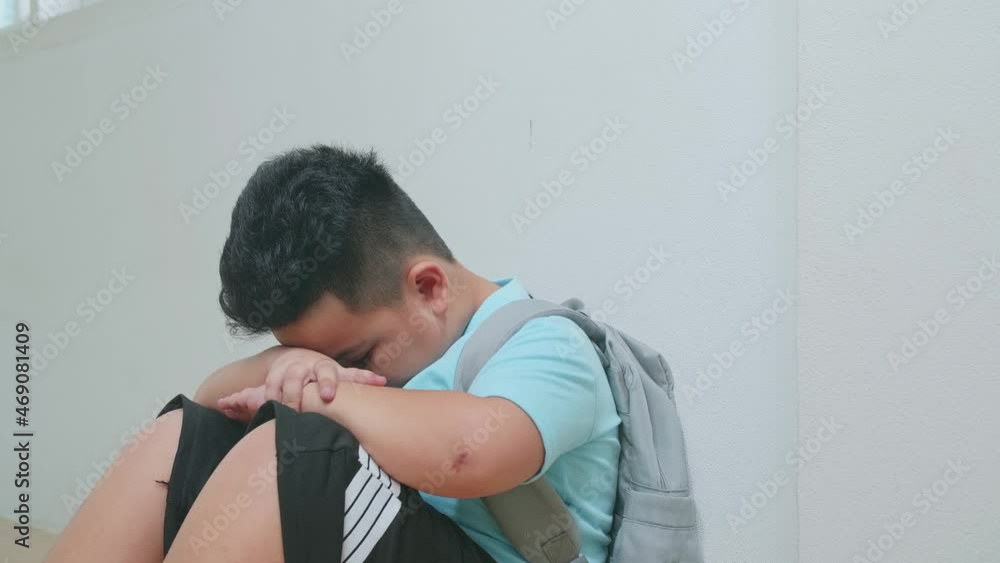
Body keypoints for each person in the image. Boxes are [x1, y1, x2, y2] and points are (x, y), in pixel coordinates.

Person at [44, 145, 621, 563]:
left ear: (428, 288)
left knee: (296, 449)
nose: (339, 374)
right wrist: (285, 369)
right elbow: (209, 399)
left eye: (358, 355)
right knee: (185, 437)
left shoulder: (544, 342)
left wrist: (324, 397)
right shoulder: (359, 360)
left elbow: (477, 453)